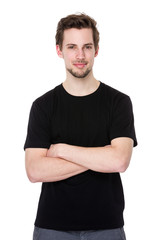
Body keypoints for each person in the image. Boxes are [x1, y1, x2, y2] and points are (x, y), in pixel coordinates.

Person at [24, 13, 137, 240]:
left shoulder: (118, 102)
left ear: (96, 50)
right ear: (59, 51)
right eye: (72, 47)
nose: (80, 55)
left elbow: (119, 161)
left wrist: (62, 150)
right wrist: (100, 157)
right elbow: (35, 171)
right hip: (52, 228)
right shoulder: (43, 106)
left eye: (87, 47)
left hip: (107, 227)